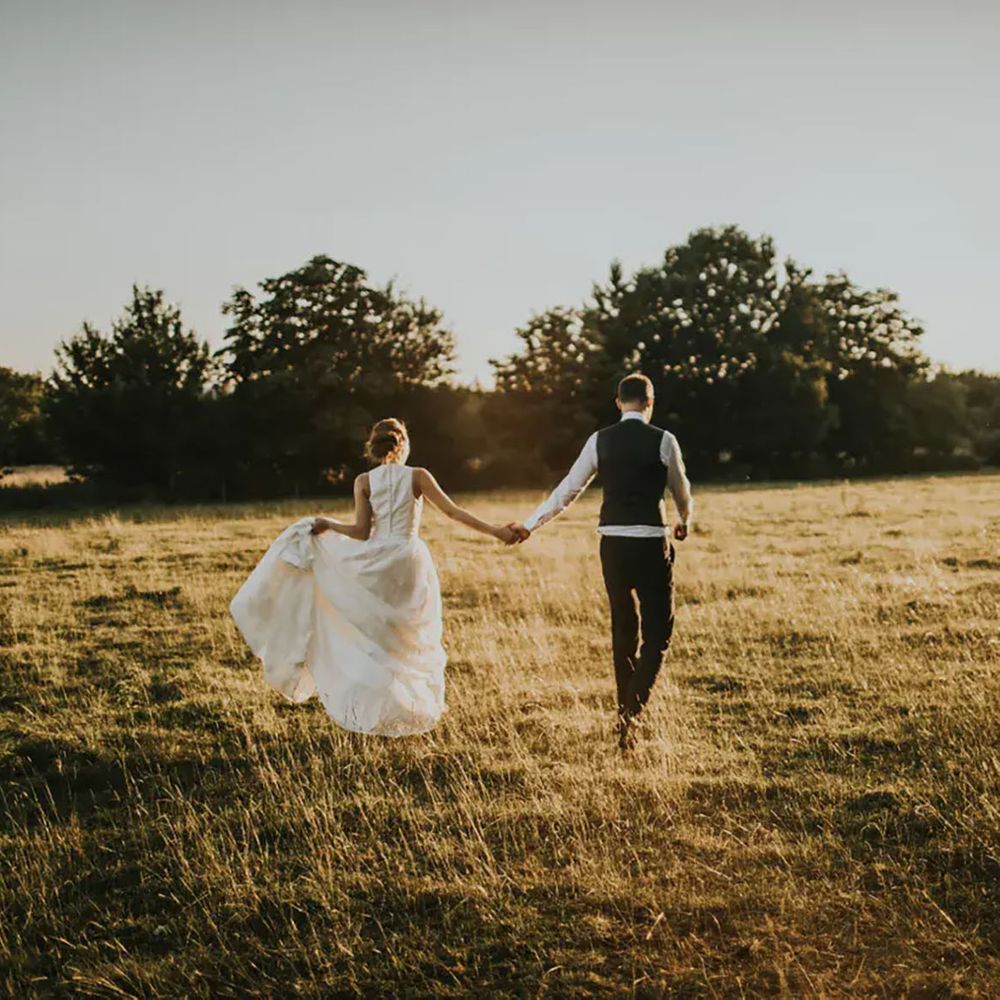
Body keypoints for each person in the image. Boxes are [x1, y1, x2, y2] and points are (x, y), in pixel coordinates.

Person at [230, 418, 518, 736]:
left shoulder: (364, 481)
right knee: (410, 634)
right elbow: (452, 512)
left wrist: (327, 523)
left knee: (379, 634)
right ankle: (410, 702)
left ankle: (382, 701)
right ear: (403, 444)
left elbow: (360, 532)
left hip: (377, 559)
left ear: (372, 447)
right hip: (408, 558)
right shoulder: (418, 476)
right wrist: (496, 532)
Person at [508, 374, 693, 750]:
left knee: (623, 629)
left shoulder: (600, 440)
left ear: (618, 402)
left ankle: (625, 719)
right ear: (650, 401)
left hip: (612, 545)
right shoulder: (664, 440)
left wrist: (530, 525)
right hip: (650, 545)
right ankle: (631, 714)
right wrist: (683, 521)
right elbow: (681, 488)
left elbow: (567, 491)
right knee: (658, 634)